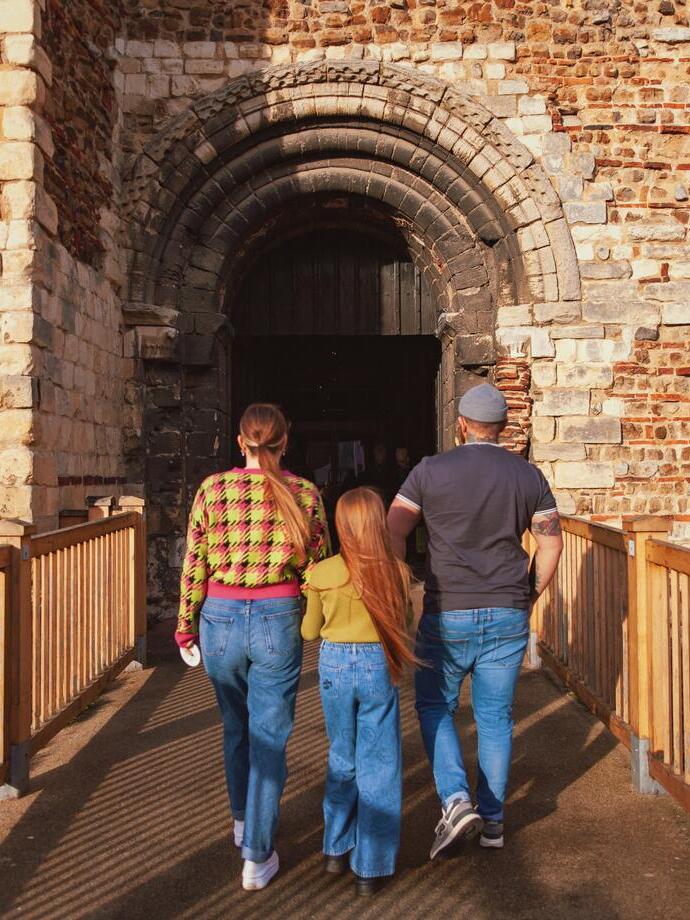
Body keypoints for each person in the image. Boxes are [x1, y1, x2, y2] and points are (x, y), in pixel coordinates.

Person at [387, 383, 563, 859]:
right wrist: (528, 595)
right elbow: (550, 544)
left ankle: (456, 799)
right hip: (507, 610)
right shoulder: (529, 476)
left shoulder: (429, 472)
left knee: (435, 707)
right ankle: (493, 822)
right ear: (504, 428)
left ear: (461, 425)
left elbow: (393, 529)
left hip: (447, 611)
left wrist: (404, 586)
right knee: (495, 718)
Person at [175, 403, 329, 891]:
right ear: (285, 443)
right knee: (270, 735)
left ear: (240, 443)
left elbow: (194, 561)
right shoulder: (304, 493)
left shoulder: (211, 490)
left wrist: (185, 627)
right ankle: (257, 855)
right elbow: (316, 568)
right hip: (277, 618)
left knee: (234, 726)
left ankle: (243, 820)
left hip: (218, 619)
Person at [301, 487, 415, 896]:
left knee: (342, 755)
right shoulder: (396, 572)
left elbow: (309, 631)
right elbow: (405, 626)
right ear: (377, 523)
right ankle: (370, 865)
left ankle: (335, 845)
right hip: (376, 666)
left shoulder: (322, 573)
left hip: (333, 664)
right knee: (379, 764)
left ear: (341, 524)